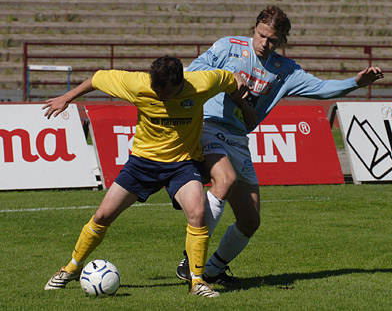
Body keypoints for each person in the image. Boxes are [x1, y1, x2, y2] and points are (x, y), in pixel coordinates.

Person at [175, 5, 384, 284]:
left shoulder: (285, 70)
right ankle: (191, 259)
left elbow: (322, 89)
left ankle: (212, 270)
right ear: (254, 29)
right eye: (261, 35)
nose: (264, 43)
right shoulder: (228, 47)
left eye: (272, 39)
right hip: (208, 127)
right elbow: (194, 71)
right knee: (223, 181)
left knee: (250, 221)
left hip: (238, 138)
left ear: (282, 40)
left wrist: (355, 83)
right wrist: (227, 79)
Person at [43, 55, 247, 297]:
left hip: (182, 164)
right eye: (156, 90)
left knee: (198, 212)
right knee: (103, 215)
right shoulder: (139, 83)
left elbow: (231, 79)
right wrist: (66, 98)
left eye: (165, 92)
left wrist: (239, 84)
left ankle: (197, 282)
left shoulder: (201, 83)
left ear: (180, 83)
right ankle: (71, 268)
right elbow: (97, 79)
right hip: (142, 164)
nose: (159, 95)